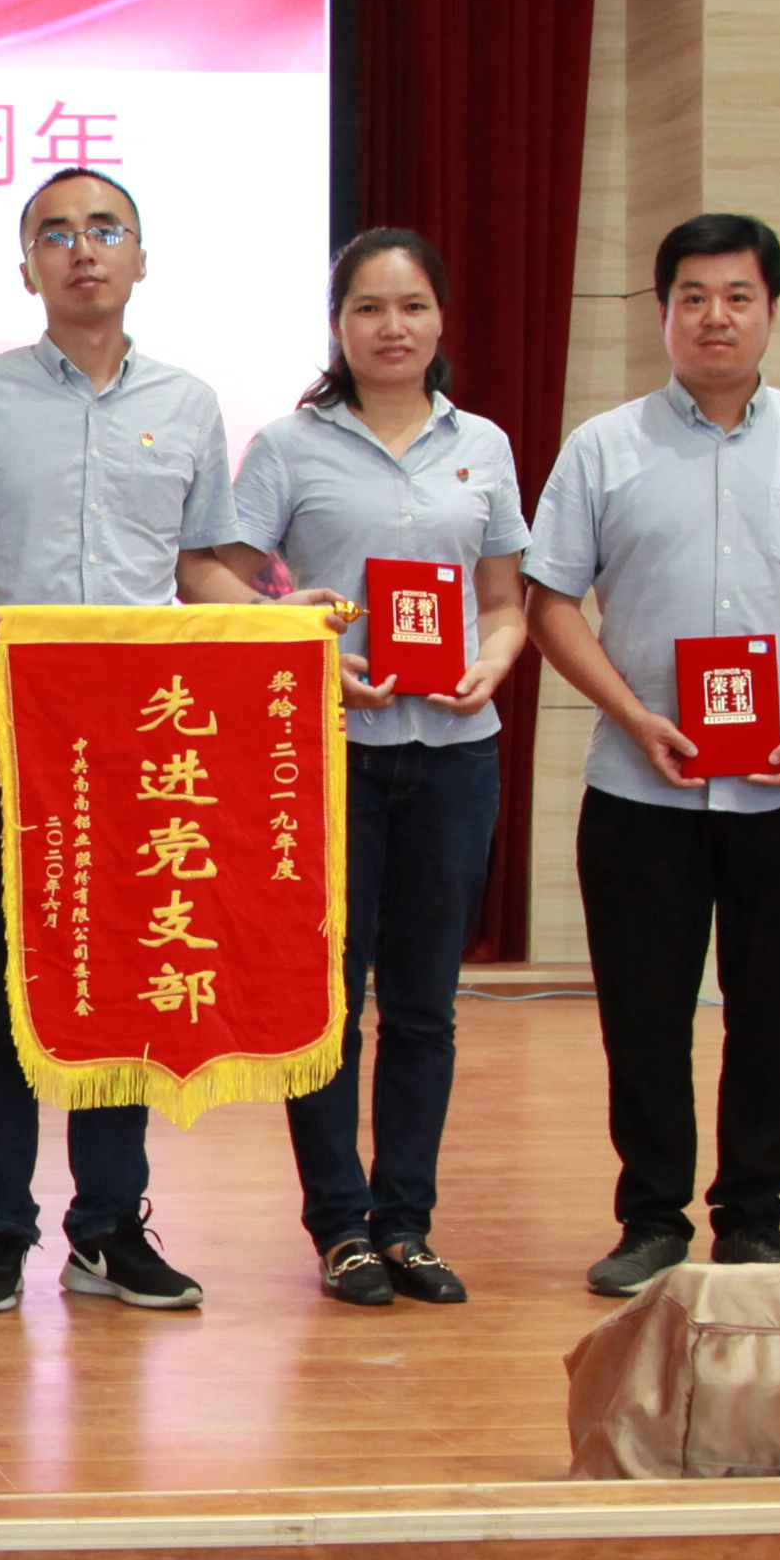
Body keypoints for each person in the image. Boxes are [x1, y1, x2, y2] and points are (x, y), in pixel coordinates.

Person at [522, 212, 780, 1295]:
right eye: (692, 297)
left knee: (773, 1012)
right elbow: (550, 604)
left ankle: (754, 1216)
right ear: (663, 313)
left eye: (738, 296)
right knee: (643, 1015)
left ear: (772, 310)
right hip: (640, 785)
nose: (715, 317)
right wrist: (631, 714)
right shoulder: (605, 447)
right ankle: (651, 1217)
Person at [0, 166, 228, 1315]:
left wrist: (292, 623)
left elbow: (201, 567)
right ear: (27, 265)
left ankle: (108, 1230)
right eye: (58, 234)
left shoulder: (188, 403)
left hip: (137, 738)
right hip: (12, 734)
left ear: (141, 258)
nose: (84, 250)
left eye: (106, 230)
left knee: (118, 987)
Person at [209, 226, 529, 1309]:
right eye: (369, 309)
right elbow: (212, 577)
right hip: (328, 754)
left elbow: (504, 602)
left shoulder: (483, 444)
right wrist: (295, 631)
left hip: (456, 755)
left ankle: (407, 1224)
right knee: (327, 1002)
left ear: (440, 321)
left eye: (412, 307)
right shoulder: (289, 446)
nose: (393, 328)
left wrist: (492, 663)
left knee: (427, 1004)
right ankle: (340, 1227)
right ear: (338, 327)